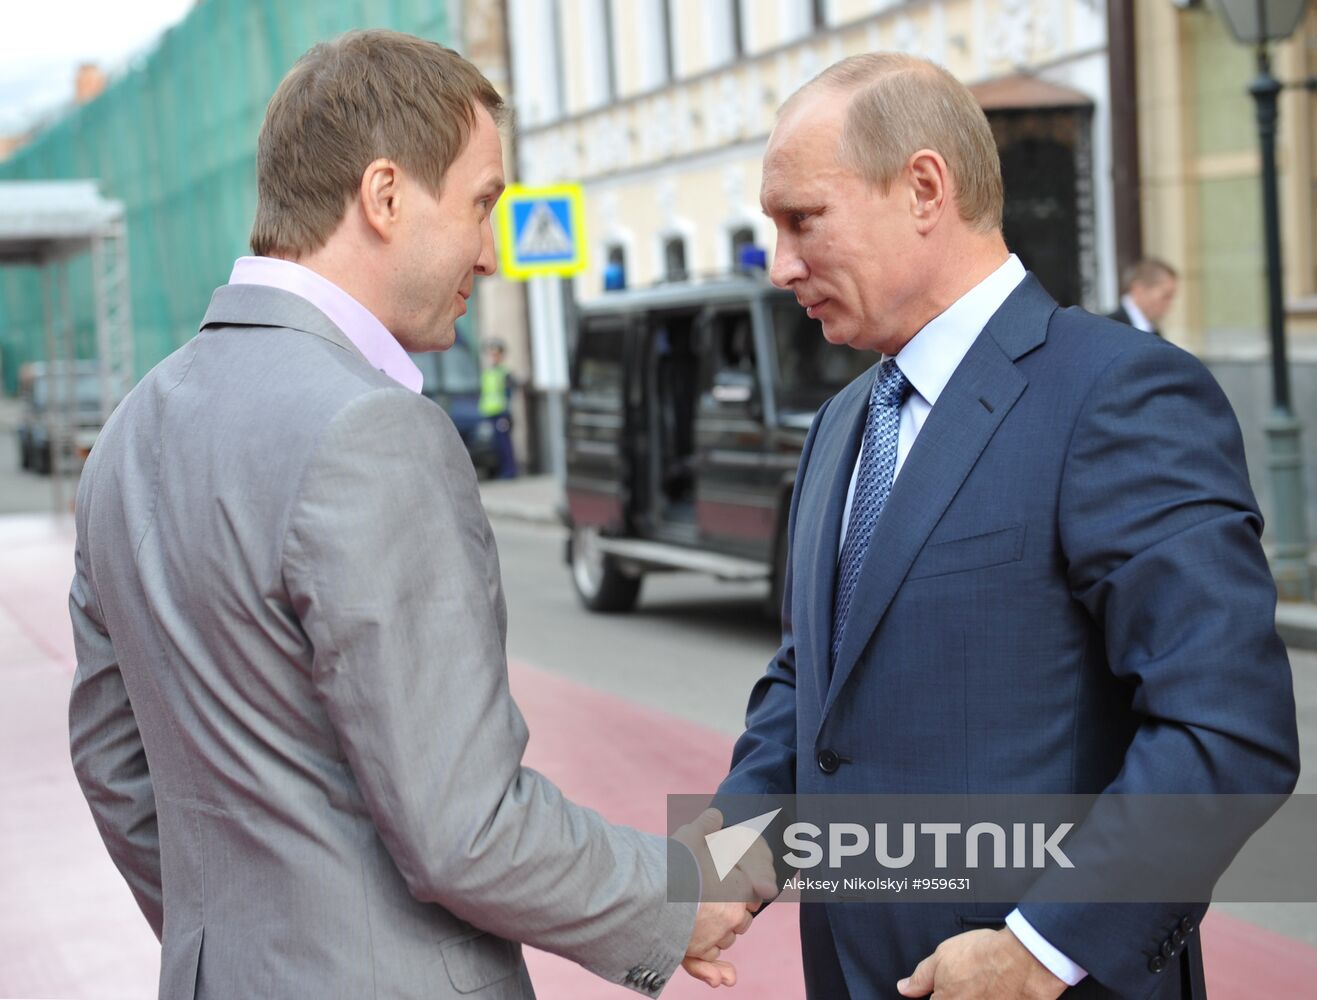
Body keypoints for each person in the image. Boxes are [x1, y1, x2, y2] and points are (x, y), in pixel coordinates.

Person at [67, 30, 761, 1000]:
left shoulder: (133, 429)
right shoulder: (373, 431)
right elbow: (465, 826)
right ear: (385, 197)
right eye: (482, 203)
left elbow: (113, 765)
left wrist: (247, 947)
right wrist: (673, 895)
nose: (489, 249)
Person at [715, 53, 1299, 999]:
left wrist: (1040, 949)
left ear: (922, 188)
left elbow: (1226, 728)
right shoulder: (838, 424)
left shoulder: (1117, 394)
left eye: (801, 220)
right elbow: (806, 688)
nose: (780, 264)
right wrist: (718, 870)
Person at [1106, 257, 1178, 336]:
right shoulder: (1109, 327)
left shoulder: (1153, 330)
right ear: (1138, 290)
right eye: (1166, 296)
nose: (1170, 304)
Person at [480, 338, 518, 478]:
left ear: (501, 356)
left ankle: (510, 471)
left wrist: (505, 413)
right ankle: (502, 471)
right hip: (490, 413)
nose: (493, 358)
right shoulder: (488, 372)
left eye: (495, 354)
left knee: (504, 444)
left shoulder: (505, 373)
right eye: (491, 354)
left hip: (502, 413)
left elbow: (508, 395)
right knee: (495, 445)